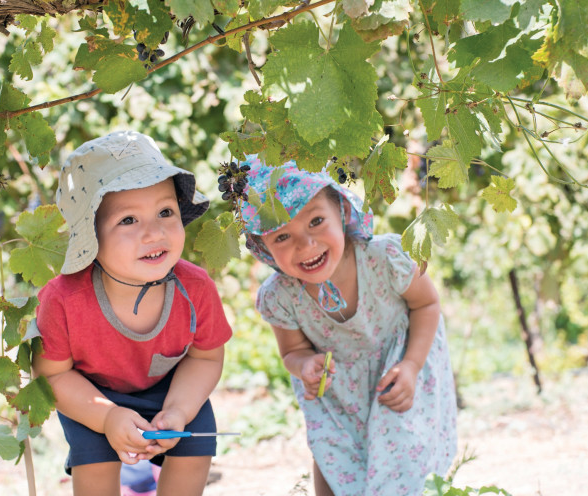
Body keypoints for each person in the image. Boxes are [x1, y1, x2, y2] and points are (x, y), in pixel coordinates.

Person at [240, 156, 457, 495]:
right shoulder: (281, 295)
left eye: (316, 221)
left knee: (405, 464)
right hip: (338, 391)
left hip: (397, 372)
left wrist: (412, 365)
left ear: (341, 212)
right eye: (281, 237)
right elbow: (292, 352)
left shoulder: (384, 258)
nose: (305, 244)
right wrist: (304, 365)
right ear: (261, 247)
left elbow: (426, 305)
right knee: (335, 458)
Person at [33, 131, 232, 496]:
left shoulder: (196, 288)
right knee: (94, 461)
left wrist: (179, 410)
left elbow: (205, 358)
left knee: (196, 443)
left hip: (172, 389)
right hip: (90, 394)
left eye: (165, 212)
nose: (154, 232)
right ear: (90, 237)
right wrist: (107, 417)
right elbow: (53, 375)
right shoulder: (63, 299)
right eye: (128, 220)